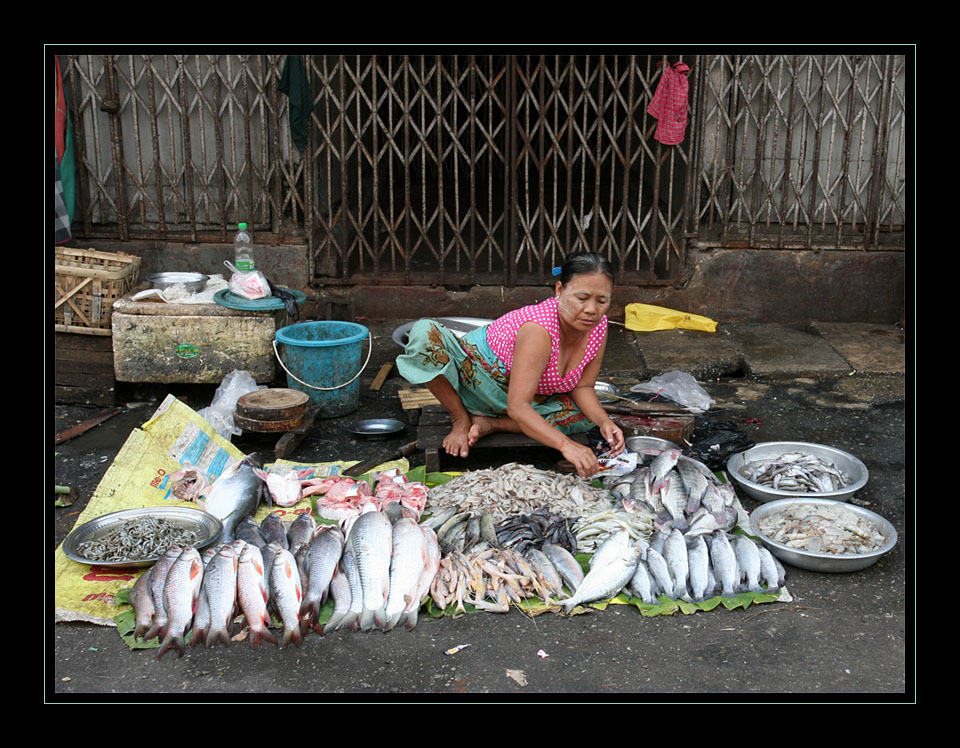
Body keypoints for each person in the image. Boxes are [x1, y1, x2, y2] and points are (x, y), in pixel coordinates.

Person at [396, 252, 625, 478]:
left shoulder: (597, 325)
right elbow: (518, 406)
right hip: (476, 382)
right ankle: (461, 418)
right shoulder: (539, 329)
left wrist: (604, 422)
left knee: (584, 416)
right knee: (424, 333)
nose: (592, 310)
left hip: (522, 399)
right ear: (559, 290)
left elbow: (583, 387)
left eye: (602, 301)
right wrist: (566, 445)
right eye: (582, 298)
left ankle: (493, 425)